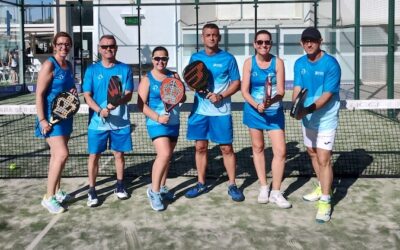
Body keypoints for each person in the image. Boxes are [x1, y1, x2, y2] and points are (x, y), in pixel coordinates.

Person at [184, 23, 244, 202]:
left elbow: (236, 83)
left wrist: (221, 95)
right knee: (200, 147)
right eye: (208, 35)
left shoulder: (228, 58)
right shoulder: (195, 57)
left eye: (214, 35)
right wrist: (196, 88)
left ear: (219, 37)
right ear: (203, 37)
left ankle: (232, 184)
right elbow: (191, 79)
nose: (211, 38)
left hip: (221, 112)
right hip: (200, 112)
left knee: (226, 148)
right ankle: (201, 183)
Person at [292, 27, 341, 223]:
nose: (309, 44)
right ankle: (322, 185)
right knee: (311, 152)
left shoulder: (331, 64)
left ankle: (326, 201)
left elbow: (327, 96)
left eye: (312, 40)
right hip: (307, 117)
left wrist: (306, 110)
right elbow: (297, 87)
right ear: (301, 43)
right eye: (305, 41)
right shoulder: (299, 63)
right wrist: (296, 107)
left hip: (326, 117)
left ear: (320, 41)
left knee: (324, 159)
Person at [241, 30, 291, 208]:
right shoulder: (248, 63)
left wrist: (270, 102)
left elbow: (281, 91)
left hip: (274, 112)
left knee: (281, 151)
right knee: (258, 147)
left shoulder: (278, 63)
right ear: (254, 44)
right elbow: (244, 91)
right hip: (254, 111)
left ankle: (276, 192)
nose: (263, 45)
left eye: (267, 42)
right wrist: (257, 105)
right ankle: (264, 186)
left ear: (271, 44)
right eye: (260, 42)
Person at [82, 34, 134, 207]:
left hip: (120, 122)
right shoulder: (91, 70)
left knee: (119, 154)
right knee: (94, 155)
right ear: (99, 48)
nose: (108, 49)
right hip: (97, 123)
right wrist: (99, 110)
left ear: (116, 48)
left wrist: (113, 105)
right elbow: (87, 96)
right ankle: (92, 189)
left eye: (111, 46)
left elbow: (128, 94)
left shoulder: (125, 69)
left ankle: (119, 185)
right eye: (104, 47)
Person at [137, 46, 185, 211]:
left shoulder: (173, 76)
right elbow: (140, 105)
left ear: (167, 60)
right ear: (152, 59)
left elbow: (182, 97)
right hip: (156, 123)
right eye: (157, 58)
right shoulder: (147, 79)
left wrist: (180, 90)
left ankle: (163, 187)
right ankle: (154, 191)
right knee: (163, 154)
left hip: (173, 122)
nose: (160, 61)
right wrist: (158, 117)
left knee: (168, 157)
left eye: (163, 58)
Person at [35, 32, 76, 214]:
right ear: (54, 45)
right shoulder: (48, 65)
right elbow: (39, 95)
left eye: (67, 44)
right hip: (50, 120)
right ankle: (48, 197)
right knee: (61, 155)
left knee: (56, 157)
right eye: (60, 44)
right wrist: (43, 120)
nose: (63, 47)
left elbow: (67, 90)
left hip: (64, 116)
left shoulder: (68, 65)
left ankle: (57, 192)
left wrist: (73, 91)